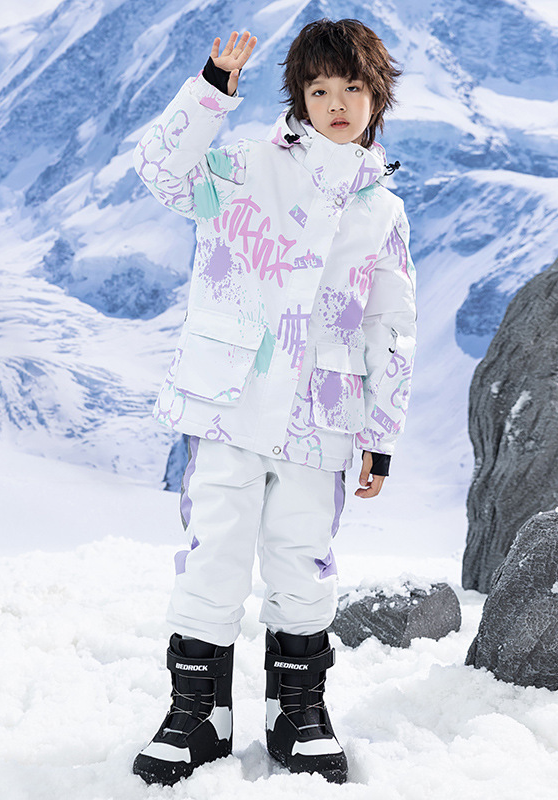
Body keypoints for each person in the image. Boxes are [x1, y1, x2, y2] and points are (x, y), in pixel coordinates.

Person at [131, 18, 415, 786]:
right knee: (214, 553)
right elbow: (159, 170)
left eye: (351, 88)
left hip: (320, 416)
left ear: (377, 95)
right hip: (227, 401)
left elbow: (390, 327)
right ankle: (198, 713)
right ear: (298, 98)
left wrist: (381, 434)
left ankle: (296, 713)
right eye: (319, 90)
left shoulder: (381, 209)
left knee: (302, 560)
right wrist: (212, 91)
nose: (336, 104)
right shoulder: (245, 164)